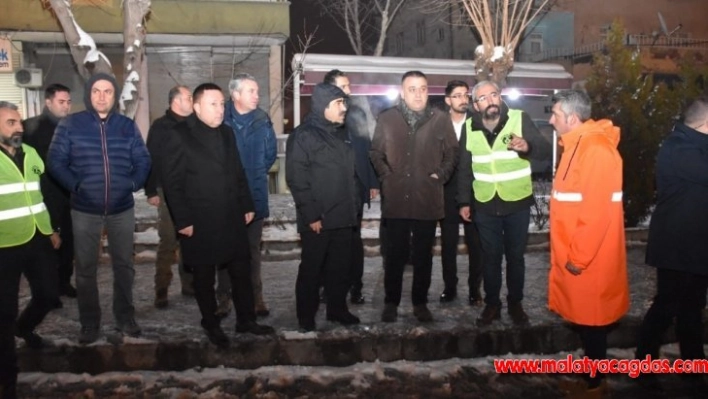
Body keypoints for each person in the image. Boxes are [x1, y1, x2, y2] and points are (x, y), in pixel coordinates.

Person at [162, 83, 274, 348]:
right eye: (213, 104)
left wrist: (247, 204)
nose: (220, 109)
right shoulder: (178, 135)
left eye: (222, 104)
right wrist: (183, 220)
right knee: (204, 275)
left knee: (241, 269)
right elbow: (172, 182)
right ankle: (210, 323)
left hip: (232, 215)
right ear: (197, 106)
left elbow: (238, 172)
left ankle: (246, 319)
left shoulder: (226, 133)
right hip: (199, 219)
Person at [48, 73, 151, 344]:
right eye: (96, 91)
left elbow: (143, 159)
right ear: (88, 95)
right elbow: (55, 161)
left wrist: (133, 183)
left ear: (115, 96)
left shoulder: (126, 126)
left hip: (121, 209)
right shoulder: (71, 125)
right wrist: (76, 186)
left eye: (107, 91)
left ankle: (125, 318)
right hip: (84, 209)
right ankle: (90, 323)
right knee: (85, 269)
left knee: (124, 266)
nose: (102, 96)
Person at [547, 90, 628, 397]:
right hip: (579, 255)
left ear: (572, 118)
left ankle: (594, 386)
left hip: (589, 259)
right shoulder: (577, 145)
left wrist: (578, 257)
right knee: (586, 322)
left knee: (593, 323)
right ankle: (589, 377)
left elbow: (596, 213)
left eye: (555, 114)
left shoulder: (595, 150)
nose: (551, 119)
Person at [457, 80, 550, 326]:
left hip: (516, 202)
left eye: (494, 95)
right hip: (485, 203)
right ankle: (492, 305)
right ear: (475, 105)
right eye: (483, 98)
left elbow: (544, 149)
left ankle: (515, 303)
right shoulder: (469, 127)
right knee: (490, 257)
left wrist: (527, 145)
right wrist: (464, 201)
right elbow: (465, 167)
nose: (490, 101)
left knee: (515, 257)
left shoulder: (519, 118)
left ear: (500, 97)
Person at [370, 71, 458, 323]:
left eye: (422, 88)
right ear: (402, 92)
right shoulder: (387, 119)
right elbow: (375, 152)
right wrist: (387, 176)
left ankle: (420, 303)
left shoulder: (440, 119)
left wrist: (440, 176)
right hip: (396, 199)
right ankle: (391, 302)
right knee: (394, 255)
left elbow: (452, 153)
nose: (418, 94)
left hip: (426, 198)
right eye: (412, 89)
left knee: (423, 256)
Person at [636, 95, 708, 393]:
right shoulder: (678, 147)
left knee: (693, 308)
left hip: (698, 243)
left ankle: (692, 367)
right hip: (676, 244)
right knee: (666, 306)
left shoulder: (696, 146)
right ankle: (643, 365)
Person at [286, 82, 361, 332]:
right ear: (322, 106)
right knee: (312, 271)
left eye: (344, 102)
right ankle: (306, 317)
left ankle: (337, 310)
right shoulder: (304, 135)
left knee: (339, 269)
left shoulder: (341, 132)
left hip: (342, 216)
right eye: (339, 103)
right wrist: (311, 215)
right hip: (318, 218)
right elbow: (297, 178)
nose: (344, 108)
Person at [0, 101, 60, 399]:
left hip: (37, 237)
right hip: (4, 244)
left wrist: (51, 229)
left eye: (19, 122)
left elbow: (44, 192)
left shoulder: (31, 153)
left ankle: (24, 328)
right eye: (11, 122)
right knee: (4, 312)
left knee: (50, 293)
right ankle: (7, 380)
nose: (19, 127)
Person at [323, 69, 379, 305]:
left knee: (353, 239)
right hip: (331, 187)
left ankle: (355, 286)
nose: (349, 90)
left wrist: (372, 180)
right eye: (344, 86)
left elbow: (367, 145)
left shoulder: (355, 112)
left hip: (355, 185)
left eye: (348, 86)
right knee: (332, 239)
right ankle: (330, 286)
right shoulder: (322, 115)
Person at [224, 73, 278, 317]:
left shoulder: (262, 120)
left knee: (252, 252)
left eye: (257, 91)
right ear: (235, 95)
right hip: (226, 198)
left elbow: (270, 155)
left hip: (254, 196)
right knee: (224, 253)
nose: (257, 96)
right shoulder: (220, 118)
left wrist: (254, 175)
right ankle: (223, 299)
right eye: (251, 91)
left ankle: (257, 298)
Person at [22, 84, 76, 301]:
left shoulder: (72, 127)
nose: (66, 106)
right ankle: (47, 292)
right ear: (48, 102)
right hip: (44, 197)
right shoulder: (32, 128)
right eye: (61, 102)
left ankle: (64, 282)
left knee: (68, 243)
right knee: (47, 246)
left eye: (68, 102)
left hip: (69, 196)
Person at [145, 85, 194, 308]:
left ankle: (189, 284)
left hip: (192, 191)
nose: (192, 100)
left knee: (191, 241)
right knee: (168, 241)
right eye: (188, 97)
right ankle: (161, 289)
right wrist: (151, 190)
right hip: (167, 192)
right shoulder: (160, 127)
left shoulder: (195, 124)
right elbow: (151, 159)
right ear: (176, 101)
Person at [440, 80, 483, 306]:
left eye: (466, 95)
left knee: (475, 244)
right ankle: (450, 288)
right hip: (446, 193)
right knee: (448, 244)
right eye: (457, 96)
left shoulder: (477, 123)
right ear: (448, 100)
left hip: (474, 192)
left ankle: (475, 290)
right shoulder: (438, 124)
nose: (463, 99)